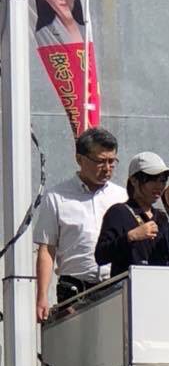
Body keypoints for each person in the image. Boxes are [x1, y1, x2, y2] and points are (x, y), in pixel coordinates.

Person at [34, 126, 127, 322]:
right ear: (80, 159)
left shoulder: (121, 196)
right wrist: (42, 296)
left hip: (115, 285)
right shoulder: (57, 197)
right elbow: (47, 249)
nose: (107, 168)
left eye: (112, 161)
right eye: (100, 161)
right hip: (74, 290)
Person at [95, 153, 169, 277]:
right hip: (128, 286)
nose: (159, 186)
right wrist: (130, 237)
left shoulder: (161, 218)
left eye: (163, 180)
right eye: (152, 179)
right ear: (134, 180)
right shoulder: (119, 212)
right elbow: (101, 256)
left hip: (159, 285)